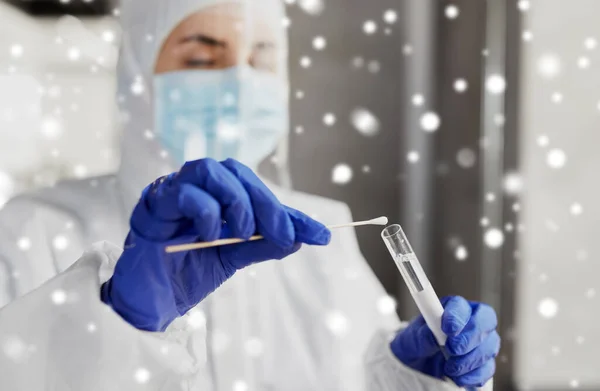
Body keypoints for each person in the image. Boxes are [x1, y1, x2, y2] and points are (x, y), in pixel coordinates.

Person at [0, 0, 500, 389]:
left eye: (261, 60)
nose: (238, 83)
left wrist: (412, 377)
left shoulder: (324, 238)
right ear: (136, 76)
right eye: (201, 56)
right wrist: (119, 320)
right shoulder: (34, 232)